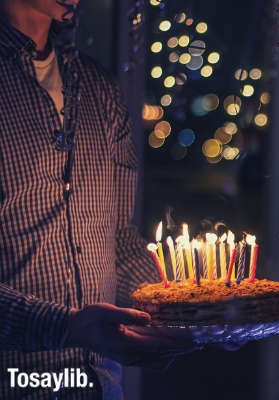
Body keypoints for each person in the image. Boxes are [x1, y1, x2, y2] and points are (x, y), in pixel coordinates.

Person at [0, 1, 195, 399]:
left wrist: (181, 308)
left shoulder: (95, 87)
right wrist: (66, 326)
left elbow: (116, 240)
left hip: (100, 385)